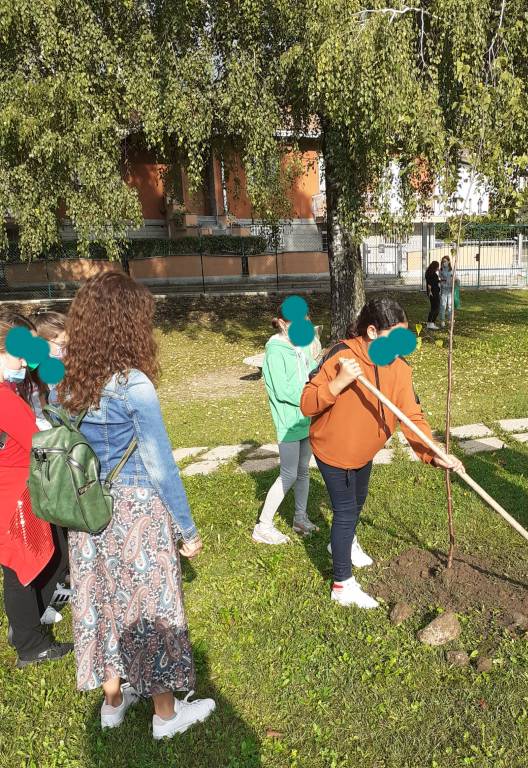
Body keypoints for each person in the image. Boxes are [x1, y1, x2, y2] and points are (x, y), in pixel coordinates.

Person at [58, 273, 215, 737]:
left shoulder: (70, 382)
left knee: (102, 599)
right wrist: (187, 530)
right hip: (135, 512)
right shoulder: (134, 384)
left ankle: (112, 702)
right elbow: (160, 464)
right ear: (128, 324)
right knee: (149, 604)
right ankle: (165, 715)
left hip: (87, 511)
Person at [300, 298, 463, 609]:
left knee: (357, 504)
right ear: (372, 332)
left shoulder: (400, 368)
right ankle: (342, 584)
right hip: (332, 449)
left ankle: (343, 544)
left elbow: (411, 416)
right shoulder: (341, 356)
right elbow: (307, 403)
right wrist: (338, 383)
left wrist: (431, 451)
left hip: (365, 451)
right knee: (345, 511)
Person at [0, 311, 72, 667]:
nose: (27, 361)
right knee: (19, 570)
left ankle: (27, 626)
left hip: (19, 488)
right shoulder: (3, 396)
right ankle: (30, 644)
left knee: (40, 558)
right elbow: (38, 440)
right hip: (12, 495)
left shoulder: (10, 388)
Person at [252, 305, 319, 544]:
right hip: (288, 421)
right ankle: (263, 525)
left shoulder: (301, 347)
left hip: (306, 418)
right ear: (282, 323)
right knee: (288, 474)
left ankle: (300, 518)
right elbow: (282, 390)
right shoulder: (275, 351)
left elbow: (314, 373)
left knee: (303, 470)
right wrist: (312, 397)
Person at [438, 255, 459, 328]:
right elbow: (440, 279)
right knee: (443, 305)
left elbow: (456, 278)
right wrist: (442, 282)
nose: (444, 263)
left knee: (450, 305)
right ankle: (442, 321)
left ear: (449, 261)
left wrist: (456, 280)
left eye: (445, 261)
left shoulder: (451, 270)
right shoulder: (440, 270)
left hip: (450, 290)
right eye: (443, 261)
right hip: (444, 290)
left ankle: (450, 319)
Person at [425, 260, 440, 330]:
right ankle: (431, 323)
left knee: (433, 308)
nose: (438, 268)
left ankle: (429, 323)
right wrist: (430, 292)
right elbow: (430, 284)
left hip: (433, 292)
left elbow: (434, 281)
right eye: (438, 266)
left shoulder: (430, 273)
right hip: (433, 293)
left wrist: (440, 281)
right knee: (436, 308)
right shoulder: (432, 274)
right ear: (435, 266)